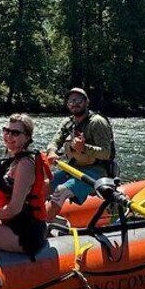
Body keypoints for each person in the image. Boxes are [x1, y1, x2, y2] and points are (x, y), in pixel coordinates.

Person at [0, 114, 51, 256]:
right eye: (6, 130)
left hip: (24, 233)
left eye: (15, 133)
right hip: (11, 222)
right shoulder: (12, 157)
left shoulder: (25, 164)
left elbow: (14, 208)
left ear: (27, 137)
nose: (8, 136)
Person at [45, 88, 116, 220]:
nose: (74, 103)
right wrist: (52, 151)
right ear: (67, 104)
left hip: (96, 172)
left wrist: (84, 148)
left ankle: (38, 230)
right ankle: (26, 221)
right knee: (43, 185)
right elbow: (54, 142)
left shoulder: (97, 122)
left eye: (78, 100)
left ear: (86, 102)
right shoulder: (68, 123)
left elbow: (106, 153)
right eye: (71, 100)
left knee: (61, 191)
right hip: (73, 169)